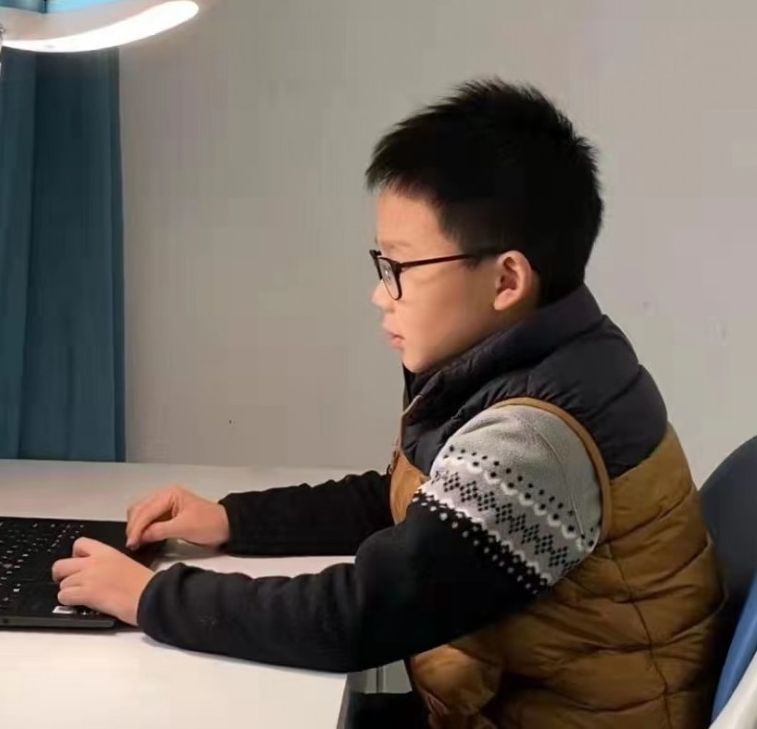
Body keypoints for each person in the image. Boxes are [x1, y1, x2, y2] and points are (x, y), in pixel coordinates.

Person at [51, 80, 724, 728]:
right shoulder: (551, 360)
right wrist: (231, 520)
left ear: (507, 279)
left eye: (399, 268)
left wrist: (150, 597)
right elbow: (405, 502)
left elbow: (359, 618)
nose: (381, 294)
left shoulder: (535, 439)